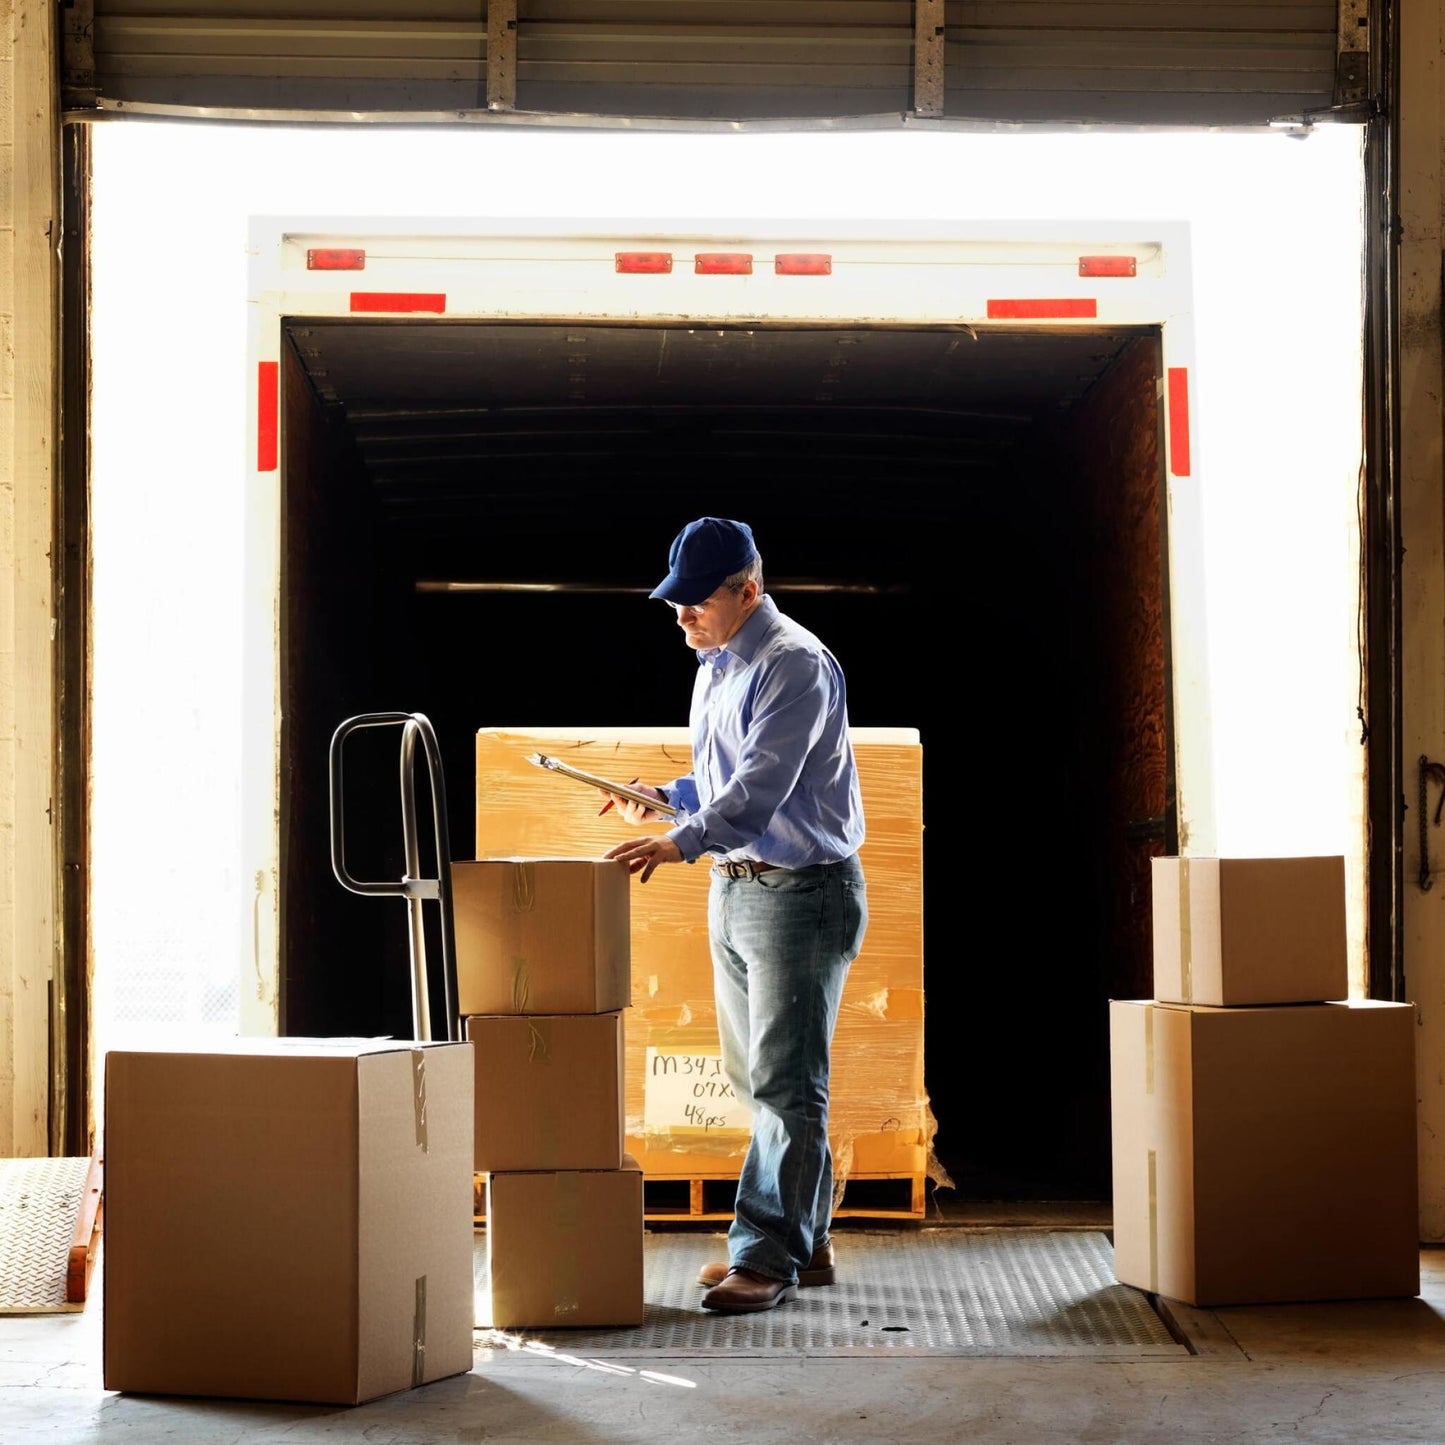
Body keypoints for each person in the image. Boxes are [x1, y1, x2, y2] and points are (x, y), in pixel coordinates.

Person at [602, 516, 868, 1315]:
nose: (681, 616)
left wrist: (678, 842)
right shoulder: (717, 663)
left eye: (695, 603)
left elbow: (760, 789)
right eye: (674, 602)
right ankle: (806, 1237)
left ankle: (764, 1253)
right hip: (737, 887)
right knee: (756, 1076)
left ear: (747, 589)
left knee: (788, 1082)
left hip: (800, 893)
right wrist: (663, 799)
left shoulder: (793, 665)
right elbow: (721, 777)